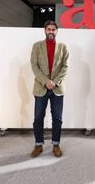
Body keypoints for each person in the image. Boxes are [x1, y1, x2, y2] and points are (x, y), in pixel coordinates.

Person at [30, 20, 69, 158]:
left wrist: (55, 82)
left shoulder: (63, 47)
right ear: (45, 30)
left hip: (57, 88)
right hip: (41, 87)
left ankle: (56, 144)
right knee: (38, 117)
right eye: (49, 29)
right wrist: (46, 81)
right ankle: (38, 144)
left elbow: (65, 67)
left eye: (53, 29)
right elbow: (34, 66)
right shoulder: (37, 46)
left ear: (56, 31)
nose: (51, 31)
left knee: (57, 118)